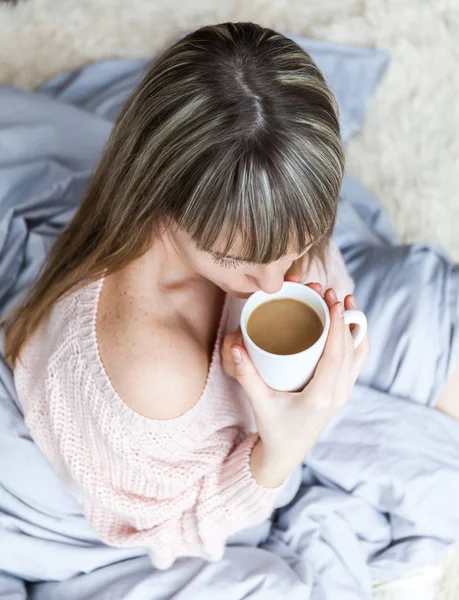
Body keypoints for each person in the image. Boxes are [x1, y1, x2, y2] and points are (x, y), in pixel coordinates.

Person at [3, 21, 457, 572]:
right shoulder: (151, 374)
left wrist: (317, 304)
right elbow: (176, 530)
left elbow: (291, 253)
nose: (273, 284)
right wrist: (281, 449)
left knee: (436, 312)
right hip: (211, 484)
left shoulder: (260, 194)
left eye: (298, 244)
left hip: (273, 401)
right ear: (161, 197)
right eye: (241, 261)